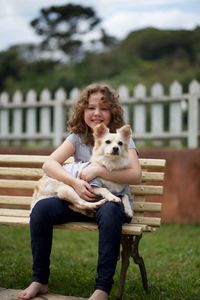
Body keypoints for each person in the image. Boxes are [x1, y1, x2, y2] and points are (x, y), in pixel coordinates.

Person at [18, 83, 142, 300]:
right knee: (41, 210)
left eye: (103, 108)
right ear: (82, 111)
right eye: (90, 108)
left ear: (112, 111)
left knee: (111, 213)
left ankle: (102, 288)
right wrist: (74, 183)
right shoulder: (77, 137)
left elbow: (135, 175)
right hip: (79, 202)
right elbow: (49, 165)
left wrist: (99, 170)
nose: (96, 113)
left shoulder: (121, 138)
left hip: (110, 203)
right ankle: (40, 279)